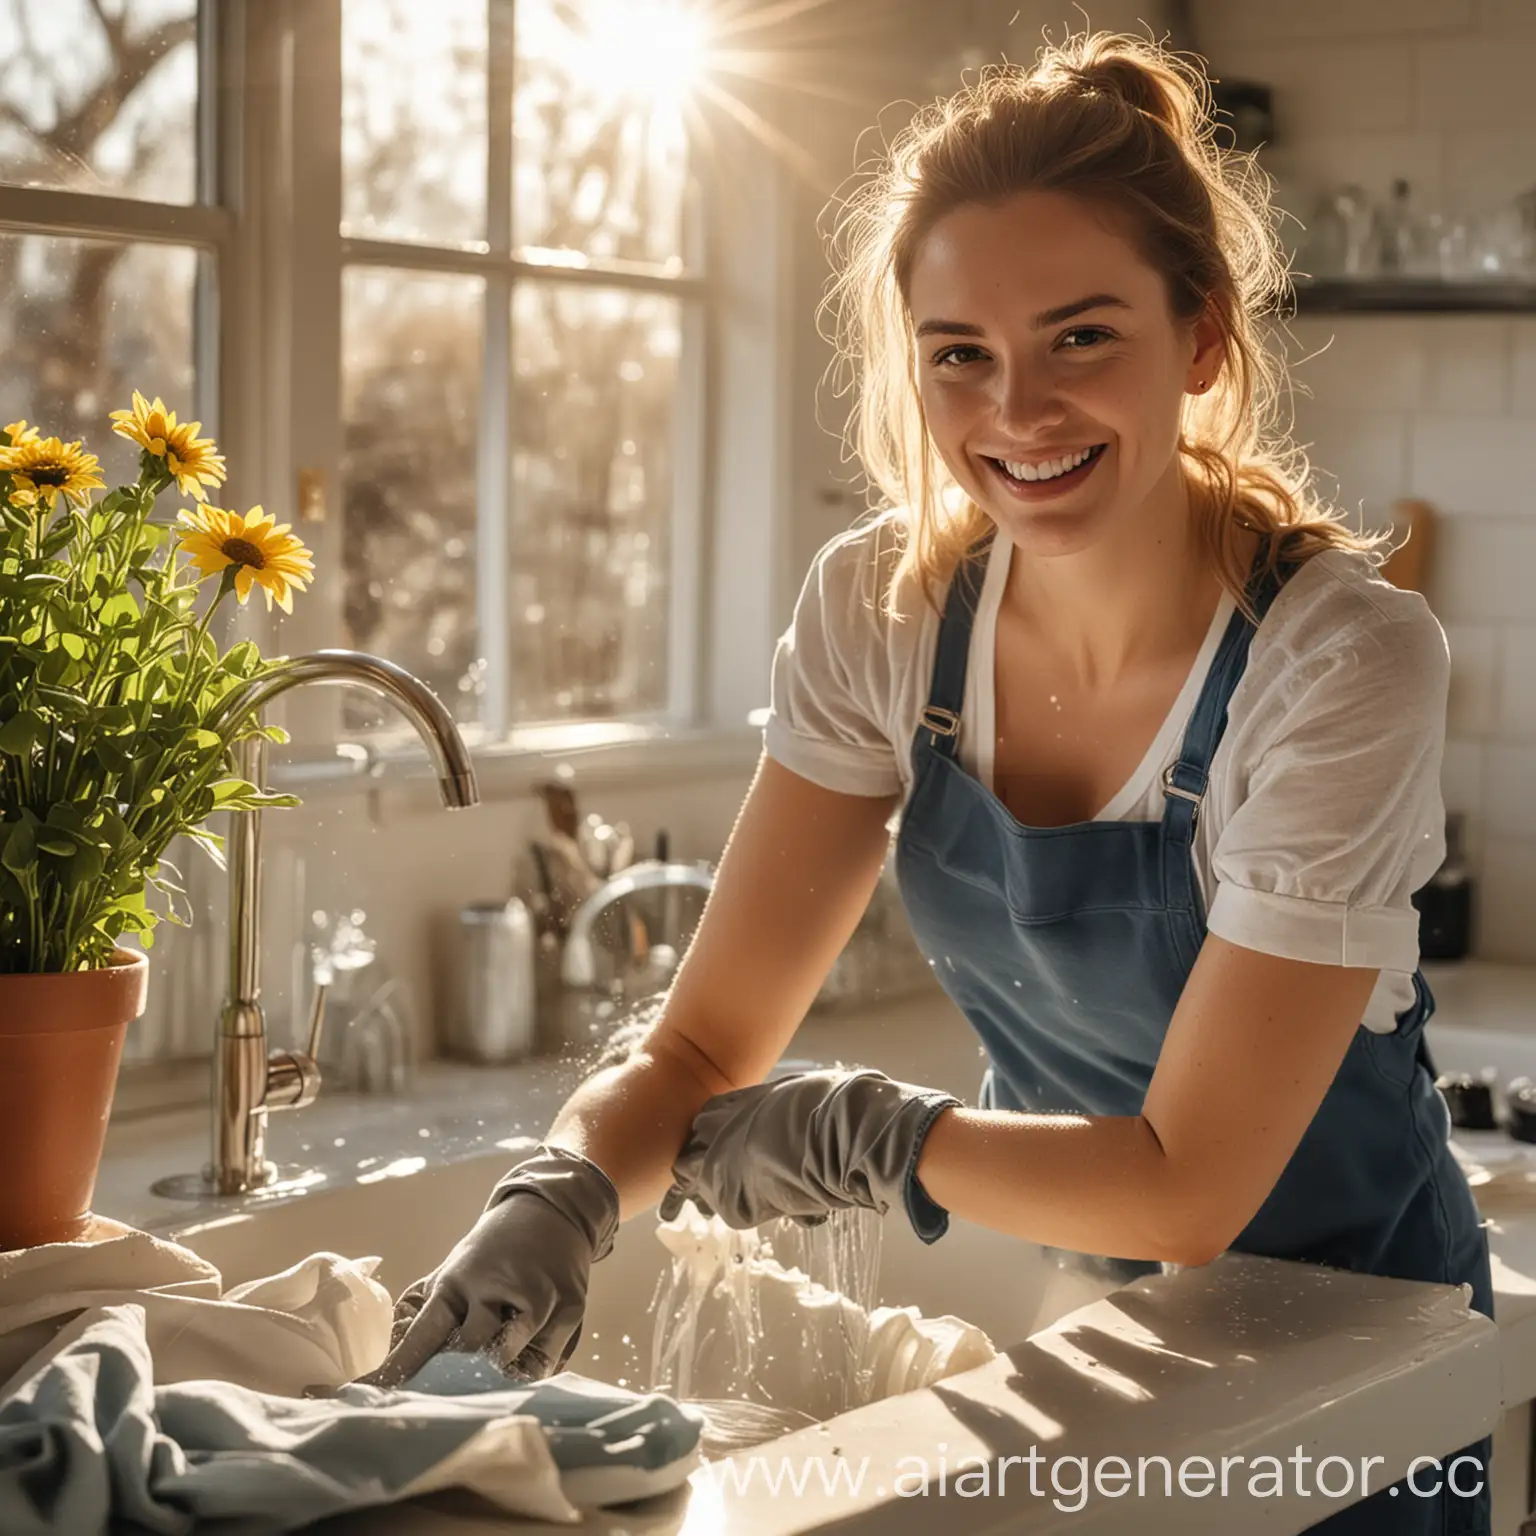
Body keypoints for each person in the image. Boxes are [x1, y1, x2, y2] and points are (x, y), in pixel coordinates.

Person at [369, 33, 1491, 1535]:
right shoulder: (884, 615)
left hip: (1360, 1364)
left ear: (1204, 339)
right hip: (1103, 1338)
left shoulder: (1337, 662)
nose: (1015, 411)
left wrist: (873, 1136)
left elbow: (1186, 1189)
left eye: (1082, 336)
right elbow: (703, 1041)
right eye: (960, 351)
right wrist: (559, 1190)